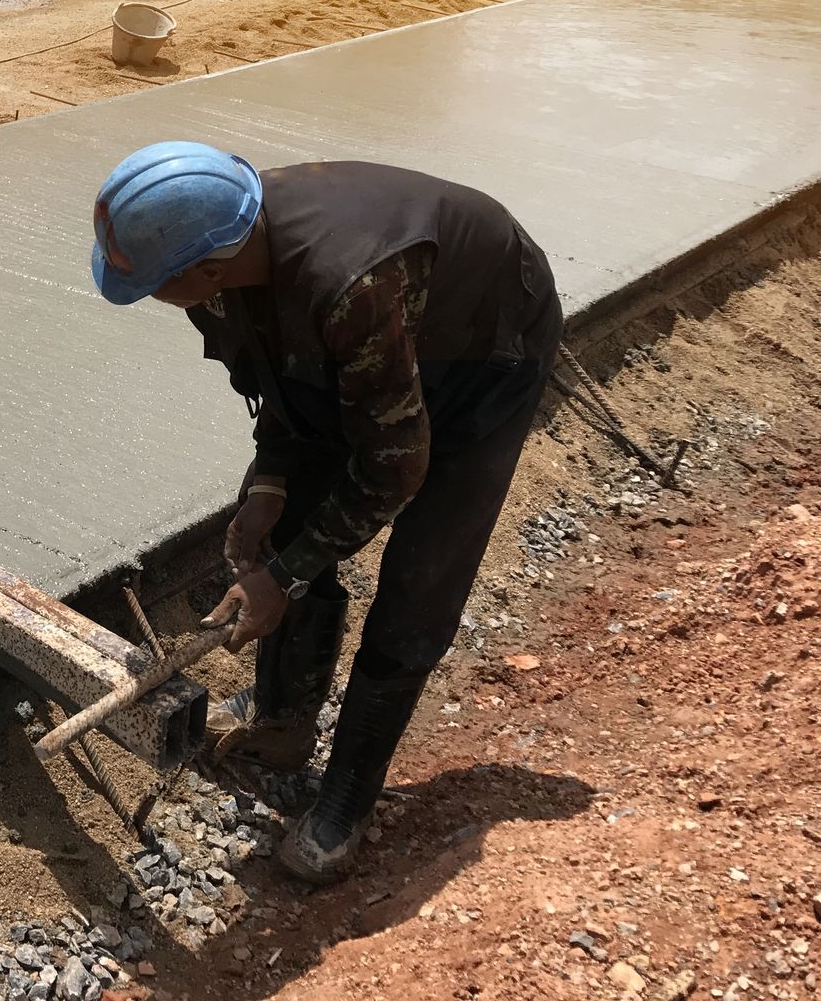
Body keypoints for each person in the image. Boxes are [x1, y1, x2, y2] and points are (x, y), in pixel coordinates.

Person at [90, 143, 563, 884]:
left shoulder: (352, 284)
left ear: (203, 268)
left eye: (154, 285)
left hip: (482, 353)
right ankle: (283, 724)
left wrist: (285, 576)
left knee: (421, 579)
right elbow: (282, 380)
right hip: (384, 341)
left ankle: (346, 799)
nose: (153, 297)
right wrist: (271, 484)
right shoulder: (223, 257)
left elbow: (396, 467)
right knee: (281, 522)